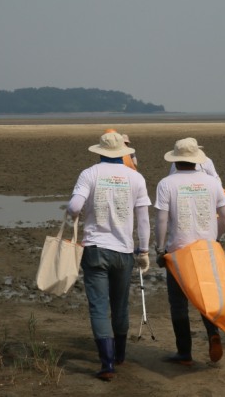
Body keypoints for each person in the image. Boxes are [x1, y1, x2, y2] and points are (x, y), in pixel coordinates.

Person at [66, 131, 152, 381]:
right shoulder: (136, 178)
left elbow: (74, 207)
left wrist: (75, 215)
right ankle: (120, 355)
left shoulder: (89, 174)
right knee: (120, 304)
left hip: (94, 249)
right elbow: (144, 220)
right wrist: (144, 250)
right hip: (123, 252)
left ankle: (107, 364)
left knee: (99, 307)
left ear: (100, 151)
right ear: (123, 153)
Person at [154, 137, 225, 365]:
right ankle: (213, 332)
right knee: (206, 297)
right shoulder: (212, 182)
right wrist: (216, 238)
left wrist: (160, 248)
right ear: (197, 159)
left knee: (178, 303)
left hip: (179, 251)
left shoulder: (166, 183)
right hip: (206, 249)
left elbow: (162, 220)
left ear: (175, 160)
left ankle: (184, 352)